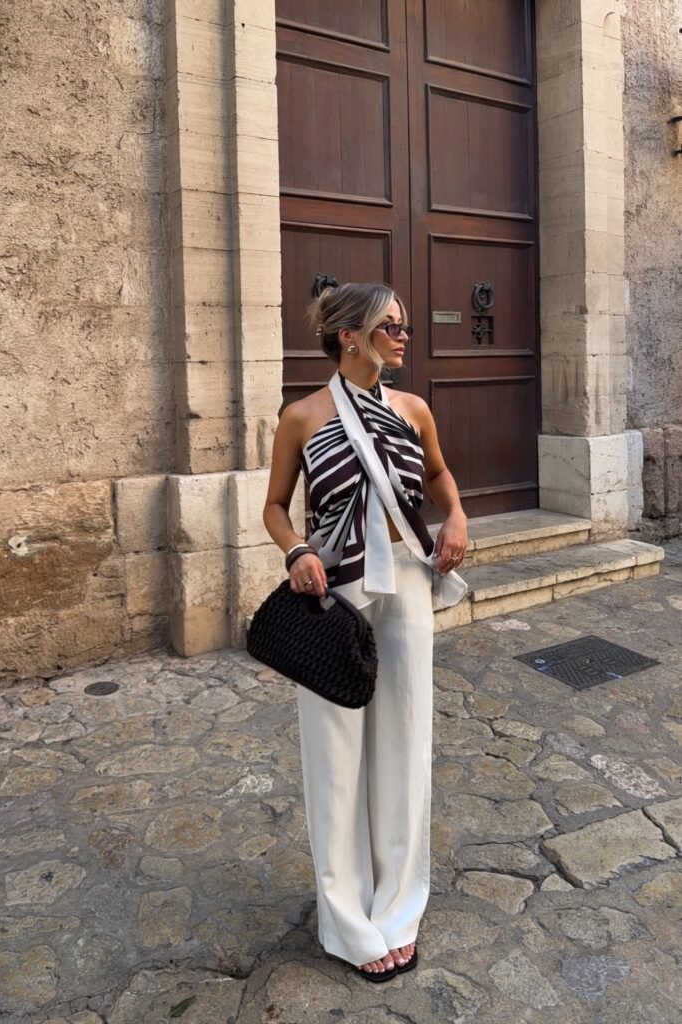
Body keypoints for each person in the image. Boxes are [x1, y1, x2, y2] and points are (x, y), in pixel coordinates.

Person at [262, 281, 468, 981]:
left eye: (403, 325)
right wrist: (296, 552)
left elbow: (438, 475)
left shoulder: (413, 409)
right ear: (348, 334)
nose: (402, 336)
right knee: (334, 756)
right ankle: (345, 918)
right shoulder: (300, 418)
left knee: (405, 746)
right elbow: (274, 509)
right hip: (335, 597)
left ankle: (398, 905)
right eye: (389, 325)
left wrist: (459, 518)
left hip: (406, 587)